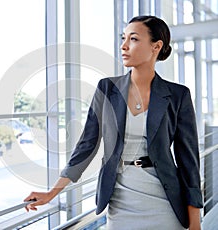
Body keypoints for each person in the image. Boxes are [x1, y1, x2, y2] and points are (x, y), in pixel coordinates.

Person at [24, 15, 203, 230]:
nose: (124, 46)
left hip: (165, 202)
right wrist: (53, 192)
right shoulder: (107, 89)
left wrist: (195, 223)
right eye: (123, 38)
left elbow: (188, 161)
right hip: (120, 202)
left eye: (134, 39)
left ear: (156, 46)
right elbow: (86, 145)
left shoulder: (178, 95)